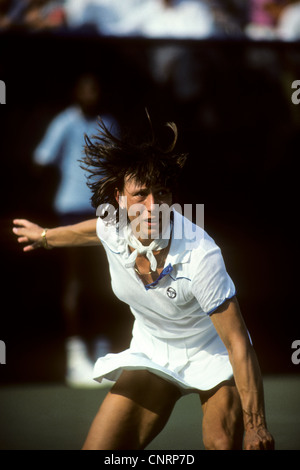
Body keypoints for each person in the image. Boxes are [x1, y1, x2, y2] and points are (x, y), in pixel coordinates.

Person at [12, 116, 275, 450]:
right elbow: (92, 230)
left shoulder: (201, 255)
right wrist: (46, 237)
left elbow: (238, 343)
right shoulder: (113, 226)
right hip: (153, 349)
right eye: (141, 195)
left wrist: (256, 427)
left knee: (222, 445)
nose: (153, 207)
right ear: (120, 198)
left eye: (162, 193)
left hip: (213, 353)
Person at [33, 74, 117, 387]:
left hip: (103, 212)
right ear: (76, 92)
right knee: (76, 281)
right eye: (86, 88)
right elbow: (40, 160)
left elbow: (116, 168)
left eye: (96, 88)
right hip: (70, 209)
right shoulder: (64, 123)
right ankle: (75, 357)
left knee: (108, 278)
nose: (91, 94)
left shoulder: (108, 123)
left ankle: (103, 352)